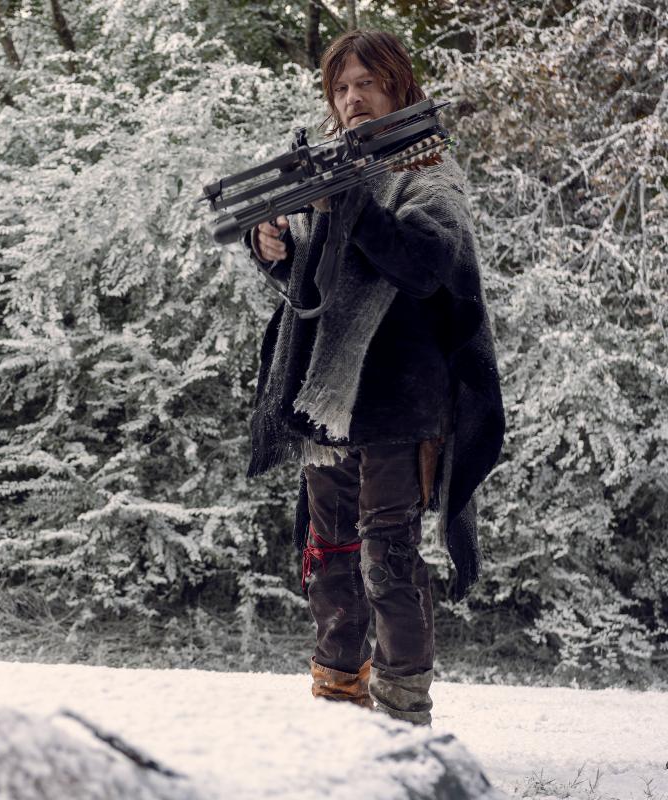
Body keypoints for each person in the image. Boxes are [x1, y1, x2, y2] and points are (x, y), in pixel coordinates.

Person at [242, 29, 504, 725]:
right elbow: (319, 283)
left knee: (387, 560)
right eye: (341, 87)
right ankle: (337, 697)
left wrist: (353, 207)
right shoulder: (336, 172)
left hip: (400, 400)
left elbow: (424, 266)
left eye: (367, 83)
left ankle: (402, 711)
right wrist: (276, 248)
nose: (352, 97)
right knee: (329, 557)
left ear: (397, 87)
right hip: (328, 399)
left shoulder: (429, 172)